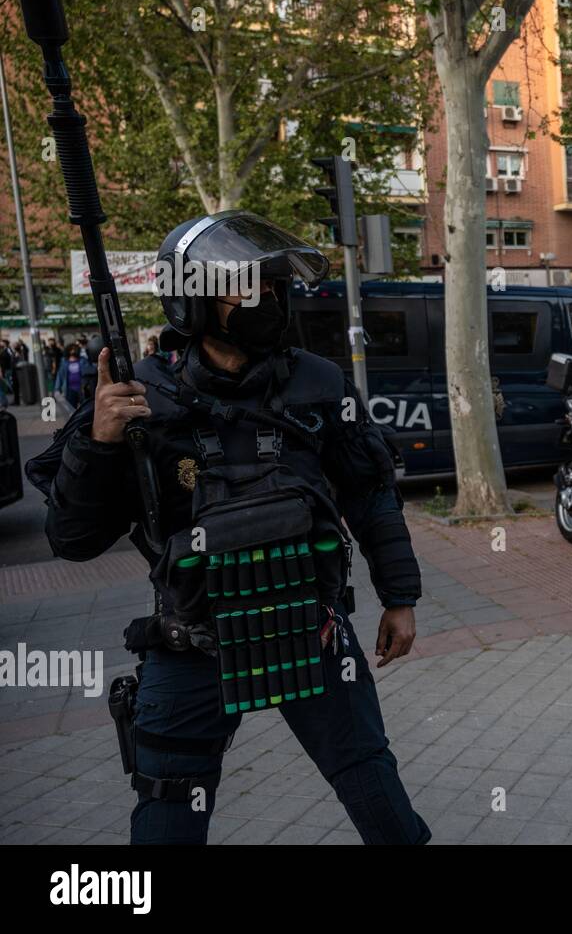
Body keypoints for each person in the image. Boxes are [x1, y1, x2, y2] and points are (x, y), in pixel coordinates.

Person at [27, 210, 429, 845]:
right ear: (193, 301)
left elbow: (371, 495)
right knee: (165, 820)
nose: (266, 299)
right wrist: (100, 442)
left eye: (273, 286)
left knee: (374, 786)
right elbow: (71, 540)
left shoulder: (319, 384)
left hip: (313, 631)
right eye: (246, 286)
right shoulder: (138, 398)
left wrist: (400, 599)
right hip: (193, 646)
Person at [54, 342, 85, 409]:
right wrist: (57, 389)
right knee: (71, 409)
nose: (73, 351)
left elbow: (89, 370)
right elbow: (60, 375)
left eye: (74, 349)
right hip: (69, 389)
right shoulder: (64, 361)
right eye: (71, 349)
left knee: (84, 408)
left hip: (81, 388)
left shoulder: (82, 360)